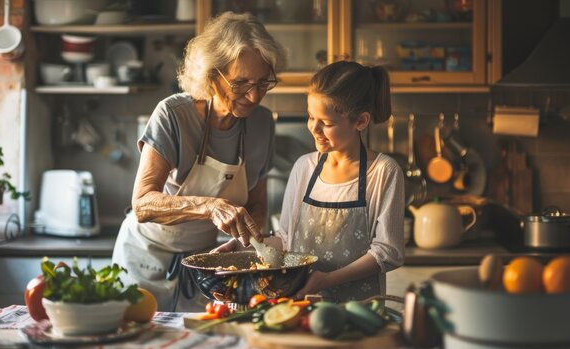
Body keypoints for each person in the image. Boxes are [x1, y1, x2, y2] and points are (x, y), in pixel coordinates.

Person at [112, 11, 287, 312]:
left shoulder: (262, 124)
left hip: (204, 264)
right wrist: (209, 206)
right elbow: (142, 204)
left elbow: (257, 207)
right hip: (144, 259)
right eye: (241, 83)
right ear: (212, 76)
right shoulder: (173, 115)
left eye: (263, 82)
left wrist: (247, 246)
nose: (256, 96)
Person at [216, 61, 405, 302]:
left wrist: (327, 279)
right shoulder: (304, 167)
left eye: (326, 123)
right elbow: (286, 239)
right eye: (310, 117)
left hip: (359, 309)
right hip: (301, 306)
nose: (313, 128)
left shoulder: (383, 172)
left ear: (361, 121)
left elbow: (388, 252)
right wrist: (244, 246)